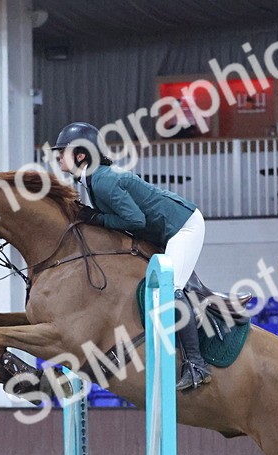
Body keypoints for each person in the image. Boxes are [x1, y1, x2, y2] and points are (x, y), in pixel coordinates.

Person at [51, 122, 210, 392]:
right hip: (164, 228)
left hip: (183, 226)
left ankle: (197, 365)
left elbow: (134, 220)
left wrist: (96, 218)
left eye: (62, 152)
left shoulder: (102, 180)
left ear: (80, 155)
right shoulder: (93, 178)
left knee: (171, 290)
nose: (57, 157)